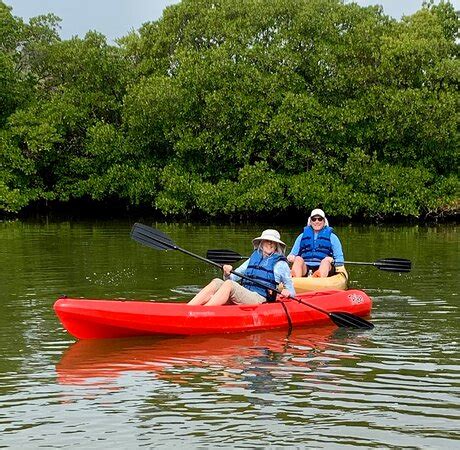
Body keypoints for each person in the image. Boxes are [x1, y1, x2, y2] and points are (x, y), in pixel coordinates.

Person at [188, 229, 296, 306]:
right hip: (246, 293)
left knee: (230, 285)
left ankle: (204, 312)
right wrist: (227, 273)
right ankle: (188, 308)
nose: (270, 244)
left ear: (277, 245)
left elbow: (292, 292)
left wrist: (288, 293)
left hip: (260, 298)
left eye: (273, 242)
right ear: (261, 243)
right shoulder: (253, 258)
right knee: (217, 281)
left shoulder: (281, 264)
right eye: (267, 241)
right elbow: (231, 279)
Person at [287, 208, 344, 278]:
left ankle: (318, 277)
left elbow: (340, 260)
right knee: (298, 259)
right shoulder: (301, 236)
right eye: (314, 219)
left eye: (320, 219)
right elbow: (291, 255)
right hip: (305, 268)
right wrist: (291, 257)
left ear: (324, 221)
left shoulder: (332, 237)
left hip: (325, 268)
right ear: (310, 221)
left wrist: (332, 260)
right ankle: (294, 280)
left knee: (325, 261)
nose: (317, 221)